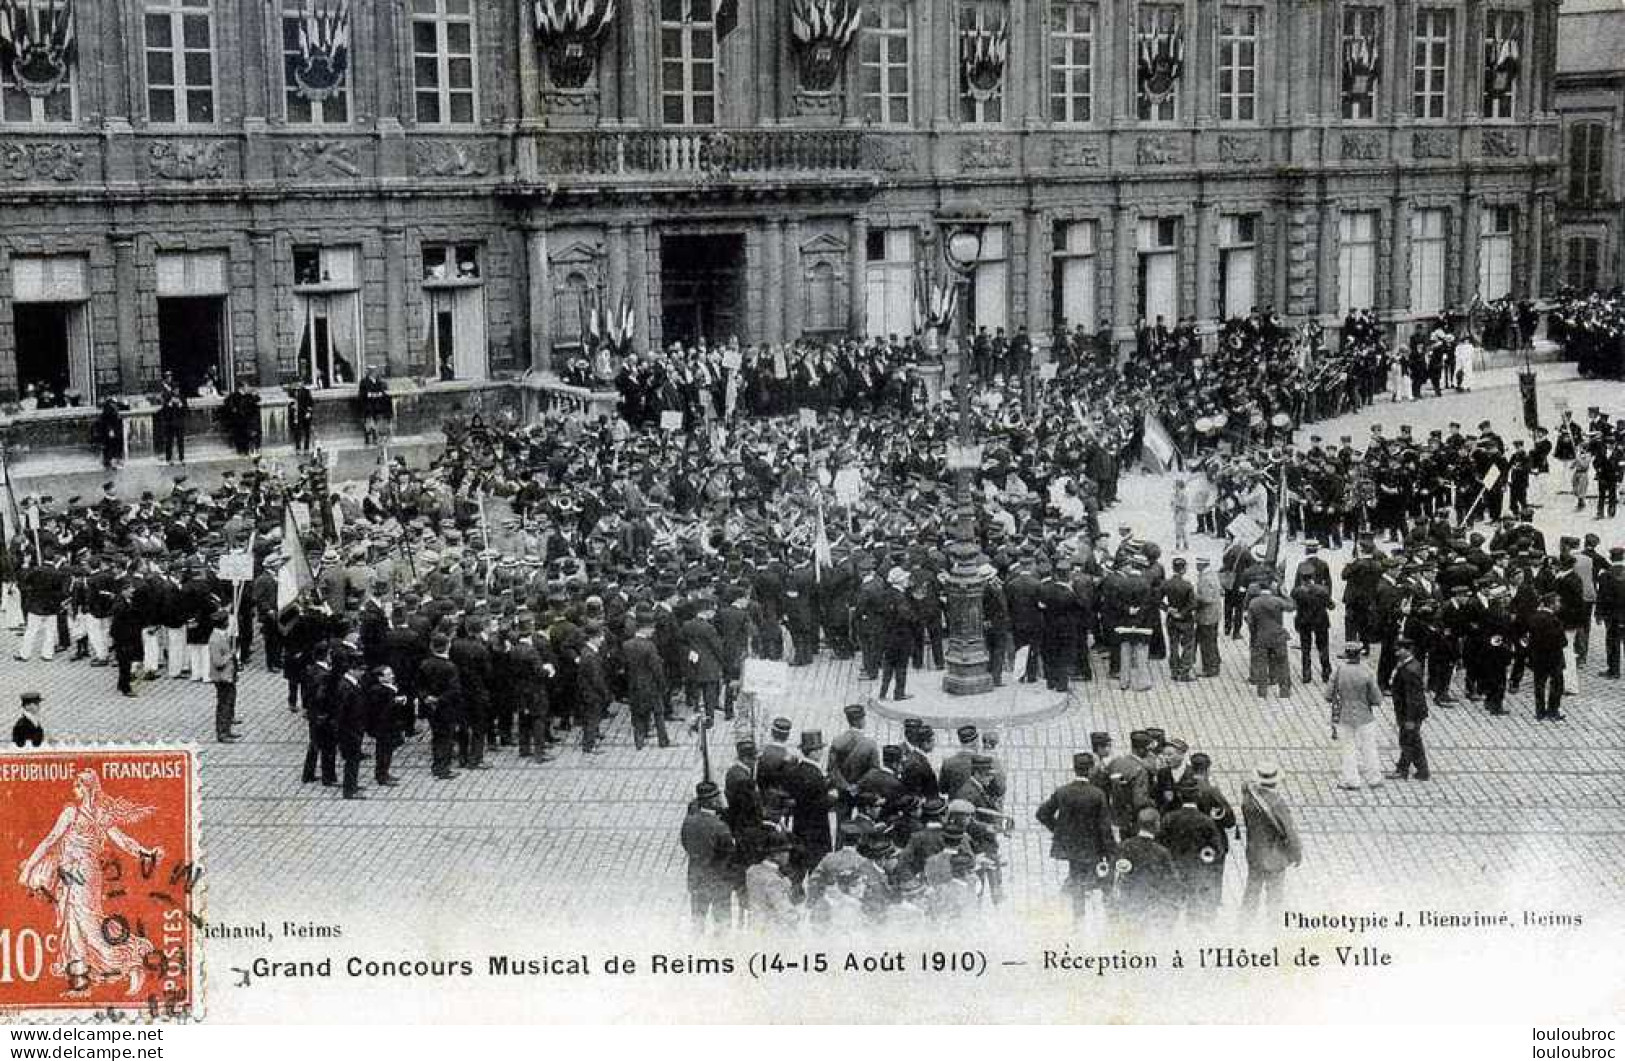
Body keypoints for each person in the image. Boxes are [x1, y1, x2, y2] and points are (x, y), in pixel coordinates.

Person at [1034, 752, 1116, 921]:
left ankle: (1078, 918)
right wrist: (1110, 851)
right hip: (1093, 847)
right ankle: (1106, 917)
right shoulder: (1098, 794)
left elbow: (1042, 814)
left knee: (1076, 878)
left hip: (1071, 847)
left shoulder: (1063, 791)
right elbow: (1104, 827)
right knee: (1102, 880)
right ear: (1091, 770)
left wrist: (1059, 830)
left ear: (1074, 769)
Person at [1239, 762, 1302, 922]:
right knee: (1274, 895)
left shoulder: (1249, 800)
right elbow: (1288, 831)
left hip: (1255, 853)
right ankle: (1273, 928)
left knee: (1252, 891)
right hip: (1275, 856)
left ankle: (1244, 925)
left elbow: (1246, 787)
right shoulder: (1276, 803)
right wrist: (1296, 853)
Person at [680, 781, 735, 933]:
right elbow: (729, 850)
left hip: (696, 877)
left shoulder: (689, 821)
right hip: (718, 879)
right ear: (712, 801)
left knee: (698, 920)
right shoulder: (719, 826)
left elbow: (685, 843)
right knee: (722, 924)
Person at [1327, 643, 1384, 790]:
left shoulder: (1339, 671)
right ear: (1359, 655)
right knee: (1369, 747)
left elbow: (1328, 695)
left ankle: (1351, 780)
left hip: (1344, 716)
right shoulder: (1367, 672)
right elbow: (1377, 699)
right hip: (1365, 715)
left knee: (1348, 748)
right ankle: (1374, 778)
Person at [1246, 574, 1295, 702]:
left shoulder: (1254, 602)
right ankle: (1284, 690)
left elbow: (1250, 622)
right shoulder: (1277, 601)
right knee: (1282, 663)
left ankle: (1262, 691)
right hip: (1278, 636)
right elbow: (1291, 607)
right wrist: (1285, 594)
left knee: (1261, 664)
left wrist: (1254, 634)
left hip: (1261, 637)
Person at [1388, 638, 1432, 780]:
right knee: (1412, 740)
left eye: (1400, 650)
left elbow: (1413, 697)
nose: (1396, 653)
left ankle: (1404, 769)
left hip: (1410, 713)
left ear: (1408, 651)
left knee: (1408, 741)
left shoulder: (1410, 670)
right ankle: (1420, 770)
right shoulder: (1407, 665)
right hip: (1407, 712)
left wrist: (1410, 718)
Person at [206, 610, 240, 743]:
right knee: (224, 704)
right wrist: (229, 655)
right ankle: (222, 732)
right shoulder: (215, 639)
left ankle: (227, 728)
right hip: (222, 677)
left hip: (229, 676)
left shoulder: (222, 635)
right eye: (226, 621)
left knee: (229, 702)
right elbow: (218, 662)